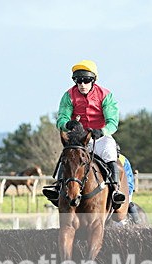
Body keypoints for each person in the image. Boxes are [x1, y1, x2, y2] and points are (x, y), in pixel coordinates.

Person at [44, 59, 126, 208]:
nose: (82, 84)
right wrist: (67, 123)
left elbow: (113, 122)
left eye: (86, 80)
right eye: (78, 80)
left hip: (100, 137)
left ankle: (115, 190)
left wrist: (102, 131)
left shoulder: (106, 95)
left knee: (109, 152)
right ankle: (57, 188)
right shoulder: (68, 95)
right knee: (68, 156)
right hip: (79, 139)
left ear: (93, 80)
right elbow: (61, 118)